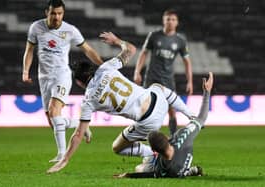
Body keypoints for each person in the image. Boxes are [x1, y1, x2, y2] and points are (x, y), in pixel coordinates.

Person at [46, 31, 195, 174]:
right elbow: (131, 49)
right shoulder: (106, 68)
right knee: (157, 87)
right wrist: (117, 41)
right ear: (92, 69)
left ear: (79, 82)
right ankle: (190, 114)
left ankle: (152, 154)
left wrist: (65, 159)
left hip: (149, 122)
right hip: (159, 101)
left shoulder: (88, 101)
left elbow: (78, 134)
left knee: (117, 147)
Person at [22, 0, 103, 162]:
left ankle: (61, 155)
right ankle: (82, 126)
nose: (56, 17)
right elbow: (29, 51)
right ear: (47, 12)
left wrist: (102, 65)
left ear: (63, 14)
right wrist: (25, 71)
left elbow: (87, 49)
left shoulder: (70, 30)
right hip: (43, 77)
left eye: (60, 14)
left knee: (54, 112)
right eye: (53, 13)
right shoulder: (36, 27)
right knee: (52, 120)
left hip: (62, 75)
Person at [115, 72, 213, 178]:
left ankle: (188, 171)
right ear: (167, 138)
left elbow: (150, 174)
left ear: (155, 151)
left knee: (139, 168)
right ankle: (188, 171)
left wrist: (128, 175)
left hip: (176, 168)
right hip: (180, 165)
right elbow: (202, 118)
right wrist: (207, 92)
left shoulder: (161, 168)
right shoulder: (183, 138)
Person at [134, 9, 193, 136]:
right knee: (146, 107)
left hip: (168, 80)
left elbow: (187, 62)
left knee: (171, 110)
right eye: (168, 19)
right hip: (151, 78)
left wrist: (190, 81)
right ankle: (146, 135)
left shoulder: (180, 41)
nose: (170, 22)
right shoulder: (154, 36)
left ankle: (173, 137)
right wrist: (137, 72)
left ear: (177, 22)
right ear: (163, 21)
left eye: (173, 19)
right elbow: (143, 53)